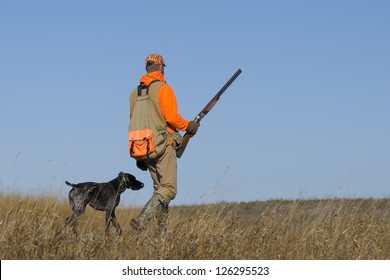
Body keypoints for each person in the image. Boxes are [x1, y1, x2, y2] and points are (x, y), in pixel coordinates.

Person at [128, 53, 199, 233]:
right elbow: (172, 118)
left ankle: (162, 235)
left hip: (143, 148)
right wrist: (189, 126)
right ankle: (142, 219)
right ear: (161, 68)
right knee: (168, 189)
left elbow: (134, 121)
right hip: (163, 146)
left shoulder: (134, 93)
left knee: (159, 190)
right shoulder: (163, 88)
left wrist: (140, 156)